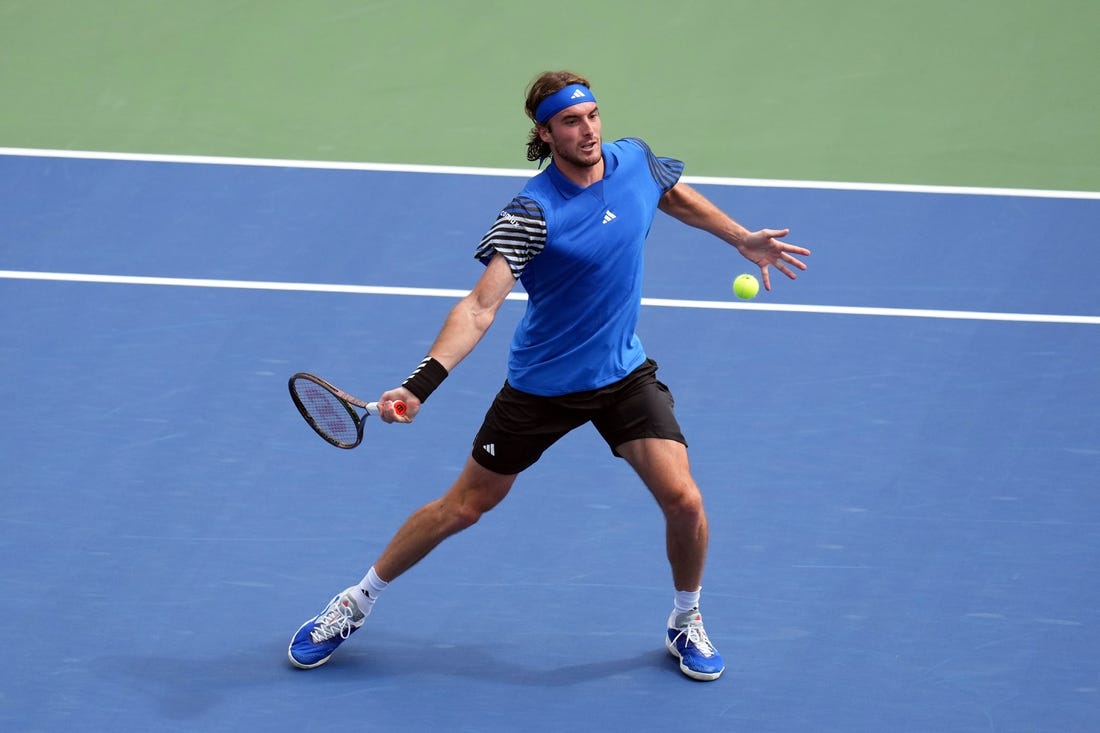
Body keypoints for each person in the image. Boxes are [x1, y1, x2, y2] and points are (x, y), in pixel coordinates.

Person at [288, 70, 810, 681]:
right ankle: (355, 602)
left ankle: (685, 620)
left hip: (623, 376)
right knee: (463, 507)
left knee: (685, 500)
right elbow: (481, 306)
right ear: (545, 132)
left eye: (591, 115)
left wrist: (740, 237)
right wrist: (421, 382)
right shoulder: (533, 213)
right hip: (542, 388)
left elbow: (669, 193)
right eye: (570, 121)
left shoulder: (634, 159)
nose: (587, 130)